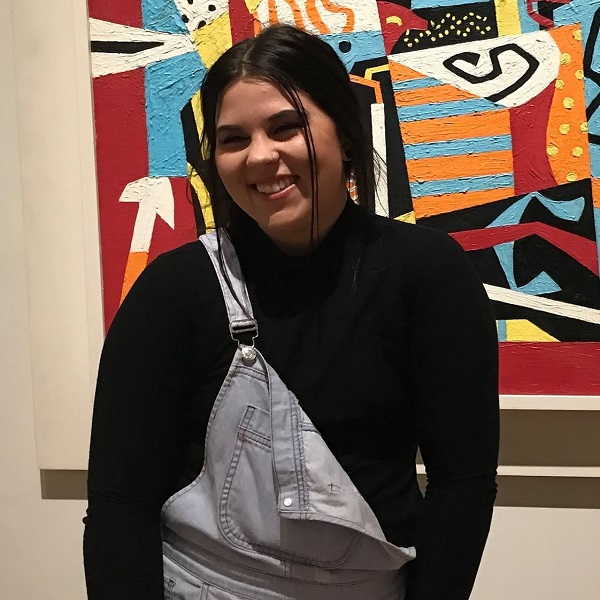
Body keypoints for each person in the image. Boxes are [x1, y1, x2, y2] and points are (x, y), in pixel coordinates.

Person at [84, 24, 499, 600]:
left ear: (345, 135)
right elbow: (119, 505)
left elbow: (463, 487)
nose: (260, 156)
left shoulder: (428, 275)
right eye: (233, 139)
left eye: (286, 127)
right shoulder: (173, 291)